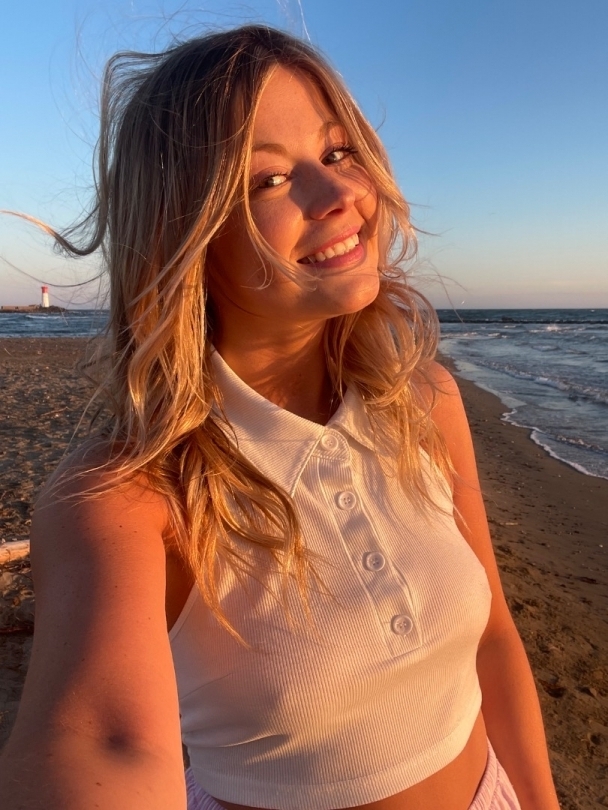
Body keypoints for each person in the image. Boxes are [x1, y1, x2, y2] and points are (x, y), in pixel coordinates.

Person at [0, 25, 560, 810]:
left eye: (337, 153)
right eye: (268, 179)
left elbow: (494, 639)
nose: (338, 196)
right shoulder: (128, 496)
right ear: (184, 231)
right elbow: (102, 743)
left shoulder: (424, 400)